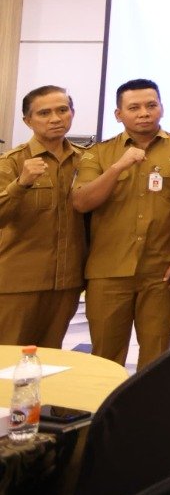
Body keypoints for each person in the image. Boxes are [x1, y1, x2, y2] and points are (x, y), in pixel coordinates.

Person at [72, 80, 170, 369]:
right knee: (105, 356)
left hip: (163, 271)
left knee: (156, 356)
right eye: (134, 107)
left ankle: (149, 402)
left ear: (161, 108)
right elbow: (81, 202)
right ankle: (106, 401)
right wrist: (119, 167)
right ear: (118, 114)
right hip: (108, 270)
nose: (144, 113)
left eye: (151, 105)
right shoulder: (98, 153)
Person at [0, 86, 86, 350]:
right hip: (18, 281)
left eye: (62, 110)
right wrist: (21, 183)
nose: (55, 118)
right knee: (9, 357)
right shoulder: (11, 162)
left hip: (67, 281)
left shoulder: (86, 161)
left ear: (72, 113)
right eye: (44, 113)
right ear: (28, 120)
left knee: (51, 357)